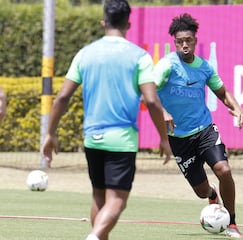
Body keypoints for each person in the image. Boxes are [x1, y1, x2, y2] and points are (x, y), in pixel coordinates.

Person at [41, 1, 172, 240]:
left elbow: (62, 97)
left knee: (98, 196)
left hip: (92, 138)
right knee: (118, 200)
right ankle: (93, 237)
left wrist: (50, 133)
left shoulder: (85, 54)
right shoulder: (140, 57)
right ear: (128, 24)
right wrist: (164, 138)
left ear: (103, 23)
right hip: (121, 140)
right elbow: (152, 102)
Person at [154, 13, 243, 238]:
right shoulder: (167, 65)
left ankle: (232, 223)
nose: (184, 45)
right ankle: (211, 194)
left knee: (224, 170)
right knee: (201, 192)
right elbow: (147, 90)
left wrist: (237, 108)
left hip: (205, 129)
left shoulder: (204, 67)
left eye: (188, 40)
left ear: (195, 40)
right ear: (174, 43)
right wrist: (164, 111)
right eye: (180, 41)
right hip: (179, 139)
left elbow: (223, 92)